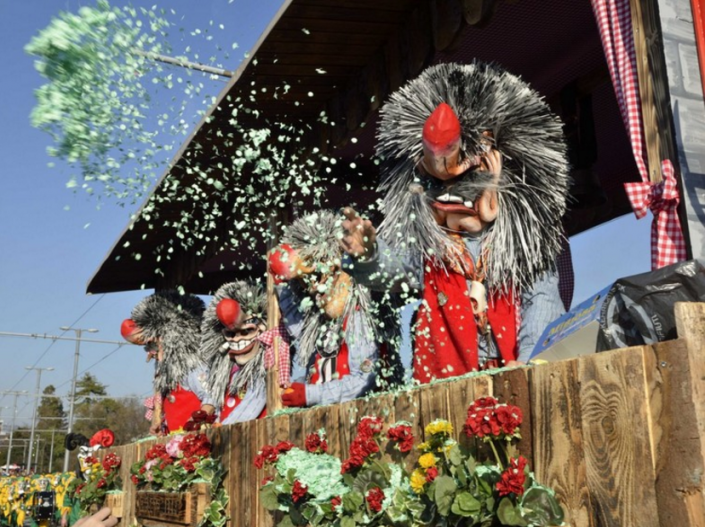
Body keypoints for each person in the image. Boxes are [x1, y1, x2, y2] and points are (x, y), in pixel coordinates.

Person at [340, 61, 569, 383]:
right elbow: (395, 271)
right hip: (445, 391)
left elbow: (543, 302)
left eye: (471, 180)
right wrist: (368, 256)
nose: (456, 195)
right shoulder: (430, 250)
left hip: (516, 379)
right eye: (440, 184)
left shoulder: (526, 247)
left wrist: (528, 364)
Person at [270, 210, 402, 407]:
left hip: (360, 414)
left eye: (317, 276)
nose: (314, 288)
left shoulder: (359, 311)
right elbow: (296, 327)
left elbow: (363, 380)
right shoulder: (319, 319)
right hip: (323, 418)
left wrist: (310, 394)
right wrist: (282, 283)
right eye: (305, 281)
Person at [121, 291, 213, 434]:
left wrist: (195, 422)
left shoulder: (193, 367)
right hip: (176, 438)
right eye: (147, 346)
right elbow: (162, 394)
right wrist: (157, 417)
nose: (151, 351)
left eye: (152, 343)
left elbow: (211, 397)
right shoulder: (166, 373)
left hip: (194, 437)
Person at [199, 281, 268, 424]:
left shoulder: (265, 369)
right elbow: (214, 396)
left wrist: (223, 428)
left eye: (246, 331)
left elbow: (252, 404)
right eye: (230, 334)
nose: (237, 339)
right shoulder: (225, 370)